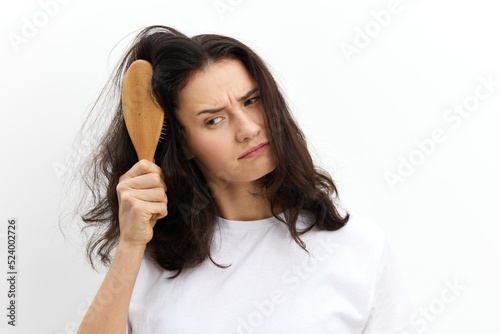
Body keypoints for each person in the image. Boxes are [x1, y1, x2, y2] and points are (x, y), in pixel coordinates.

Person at [76, 25, 416, 334]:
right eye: (214, 120)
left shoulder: (358, 248)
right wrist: (131, 246)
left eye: (251, 101)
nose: (249, 128)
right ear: (183, 143)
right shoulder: (151, 260)